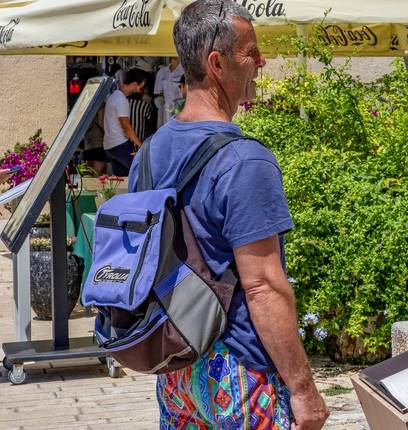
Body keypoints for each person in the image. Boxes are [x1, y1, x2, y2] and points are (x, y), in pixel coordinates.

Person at [128, 1, 329, 428]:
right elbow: (263, 287)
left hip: (177, 367)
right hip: (239, 374)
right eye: (250, 52)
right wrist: (304, 390)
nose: (262, 61)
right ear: (216, 63)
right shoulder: (244, 161)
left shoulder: (148, 154)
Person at [103, 68, 146, 176]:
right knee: (140, 173)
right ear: (134, 84)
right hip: (120, 144)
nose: (140, 91)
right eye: (140, 87)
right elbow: (126, 127)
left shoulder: (113, 96)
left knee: (123, 179)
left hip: (110, 145)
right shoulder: (121, 100)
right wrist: (141, 146)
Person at [154, 57, 185, 126]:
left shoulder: (185, 71)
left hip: (181, 106)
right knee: (166, 126)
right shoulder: (162, 72)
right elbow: (158, 93)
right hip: (166, 107)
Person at [82, 105, 108, 176]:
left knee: (89, 174)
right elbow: (101, 123)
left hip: (88, 143)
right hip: (99, 142)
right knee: (97, 175)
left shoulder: (86, 105)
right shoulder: (100, 104)